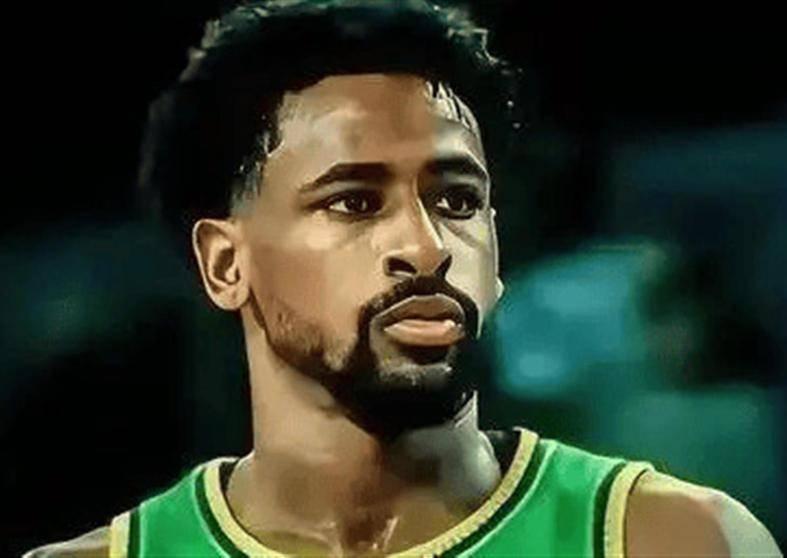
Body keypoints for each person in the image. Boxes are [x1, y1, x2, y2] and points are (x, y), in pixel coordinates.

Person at [26, 0, 782, 556]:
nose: (427, 246)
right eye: (354, 202)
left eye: (457, 200)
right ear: (226, 263)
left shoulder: (678, 542)